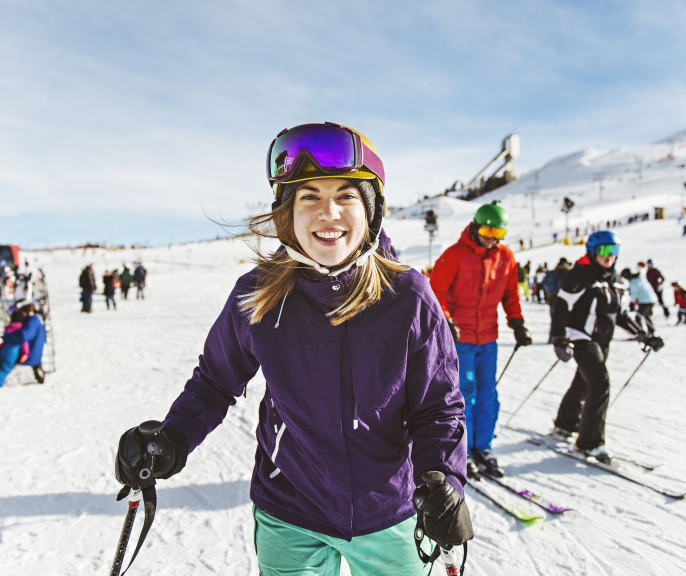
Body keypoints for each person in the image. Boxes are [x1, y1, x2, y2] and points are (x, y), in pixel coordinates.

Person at [114, 123, 473, 576]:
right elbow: (214, 382)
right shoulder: (259, 294)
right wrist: (172, 438)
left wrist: (442, 478)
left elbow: (438, 407)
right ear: (287, 214)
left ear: (371, 211)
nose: (329, 212)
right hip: (290, 511)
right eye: (309, 197)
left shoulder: (407, 296)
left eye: (346, 196)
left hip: (389, 513)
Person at [430, 203, 531, 478]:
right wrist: (447, 320)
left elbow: (511, 294)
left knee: (488, 393)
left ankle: (482, 447)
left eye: (498, 232)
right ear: (476, 225)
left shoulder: (505, 257)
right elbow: (436, 291)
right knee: (464, 394)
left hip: (488, 338)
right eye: (488, 230)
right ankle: (462, 449)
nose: (492, 237)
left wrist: (517, 322)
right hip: (460, 338)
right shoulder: (454, 255)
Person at [550, 231, 664, 463]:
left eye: (614, 251)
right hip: (580, 336)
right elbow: (561, 305)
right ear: (592, 252)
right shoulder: (581, 276)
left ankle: (565, 423)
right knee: (600, 383)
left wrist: (643, 335)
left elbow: (620, 314)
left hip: (602, 339)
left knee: (583, 381)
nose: (609, 256)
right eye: (604, 251)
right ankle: (589, 442)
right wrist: (559, 337)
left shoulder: (617, 282)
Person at [543, 257, 572, 342]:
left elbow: (544, 283)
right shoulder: (569, 272)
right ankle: (564, 338)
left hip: (552, 299)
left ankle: (552, 338)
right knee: (566, 320)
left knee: (554, 319)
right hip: (565, 299)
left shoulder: (553, 272)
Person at [0, 310, 30, 387]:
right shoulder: (20, 330)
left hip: (4, 349)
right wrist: (25, 353)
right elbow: (24, 343)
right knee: (5, 367)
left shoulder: (9, 327)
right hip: (12, 351)